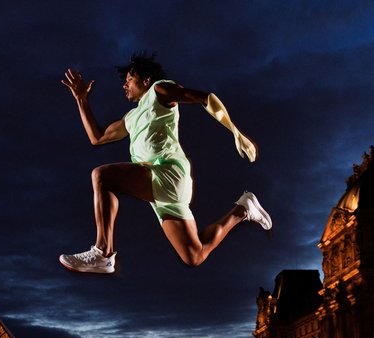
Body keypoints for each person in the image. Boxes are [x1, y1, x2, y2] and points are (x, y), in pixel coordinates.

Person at [59, 53, 271, 273]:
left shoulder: (159, 90)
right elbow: (97, 137)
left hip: (167, 173)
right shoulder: (131, 117)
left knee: (102, 176)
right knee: (194, 255)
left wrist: (236, 132)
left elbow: (205, 98)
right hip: (162, 192)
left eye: (129, 79)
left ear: (146, 80)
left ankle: (103, 252)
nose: (125, 85)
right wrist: (81, 99)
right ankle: (243, 209)